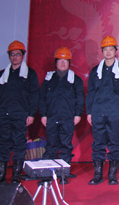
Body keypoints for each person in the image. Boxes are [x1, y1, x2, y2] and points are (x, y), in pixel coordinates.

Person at [0, 41, 39, 183]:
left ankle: (16, 175)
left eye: (18, 54)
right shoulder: (2, 74)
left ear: (23, 56)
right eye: (12, 54)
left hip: (21, 115)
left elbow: (34, 96)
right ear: (9, 56)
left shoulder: (30, 74)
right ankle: (1, 175)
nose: (15, 57)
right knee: (3, 144)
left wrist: (31, 114)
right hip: (3, 115)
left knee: (19, 145)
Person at [86, 35, 119, 185]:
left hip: (115, 113)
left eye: (111, 49)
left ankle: (112, 175)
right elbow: (91, 93)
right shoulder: (95, 71)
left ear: (116, 51)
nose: (108, 52)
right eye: (105, 49)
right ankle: (97, 175)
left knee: (114, 144)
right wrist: (89, 112)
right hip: (98, 112)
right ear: (102, 51)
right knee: (98, 144)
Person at [40, 47, 84, 184]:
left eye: (66, 61)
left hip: (68, 117)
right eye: (60, 60)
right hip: (51, 117)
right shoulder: (48, 79)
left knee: (66, 146)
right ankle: (47, 175)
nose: (63, 63)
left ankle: (63, 175)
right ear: (56, 62)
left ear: (69, 63)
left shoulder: (75, 80)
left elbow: (80, 98)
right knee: (51, 147)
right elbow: (42, 98)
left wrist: (78, 114)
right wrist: (43, 114)